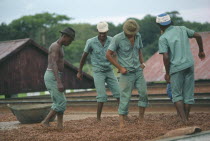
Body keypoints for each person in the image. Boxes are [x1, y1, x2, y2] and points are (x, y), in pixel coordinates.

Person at [156, 13, 205, 124]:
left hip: (176, 67)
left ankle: (183, 120)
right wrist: (201, 50)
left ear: (159, 25)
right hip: (189, 64)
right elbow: (198, 35)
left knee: (176, 94)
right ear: (170, 21)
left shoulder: (163, 38)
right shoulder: (182, 29)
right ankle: (186, 118)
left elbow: (166, 56)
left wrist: (167, 73)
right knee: (188, 94)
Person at [106, 19, 148, 128]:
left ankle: (141, 119)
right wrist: (120, 67)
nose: (132, 35)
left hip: (138, 70)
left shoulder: (138, 36)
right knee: (125, 97)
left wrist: (142, 62)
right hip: (126, 72)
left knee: (144, 93)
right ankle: (121, 123)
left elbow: (139, 50)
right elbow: (108, 54)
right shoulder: (117, 38)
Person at [77, 22, 120, 121]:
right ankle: (98, 118)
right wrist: (79, 71)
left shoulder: (112, 40)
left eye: (104, 33)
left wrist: (118, 66)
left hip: (109, 70)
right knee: (102, 96)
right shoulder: (91, 42)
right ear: (97, 31)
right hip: (98, 72)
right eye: (100, 33)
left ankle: (123, 115)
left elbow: (115, 54)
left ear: (107, 31)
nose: (102, 35)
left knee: (119, 93)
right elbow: (84, 57)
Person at [41, 27, 75, 129]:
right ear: (65, 37)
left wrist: (60, 78)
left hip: (55, 75)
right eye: (70, 40)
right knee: (61, 101)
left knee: (60, 100)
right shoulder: (55, 46)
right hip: (52, 76)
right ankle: (45, 121)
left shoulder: (59, 46)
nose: (71, 42)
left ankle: (60, 125)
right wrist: (59, 82)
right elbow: (54, 64)